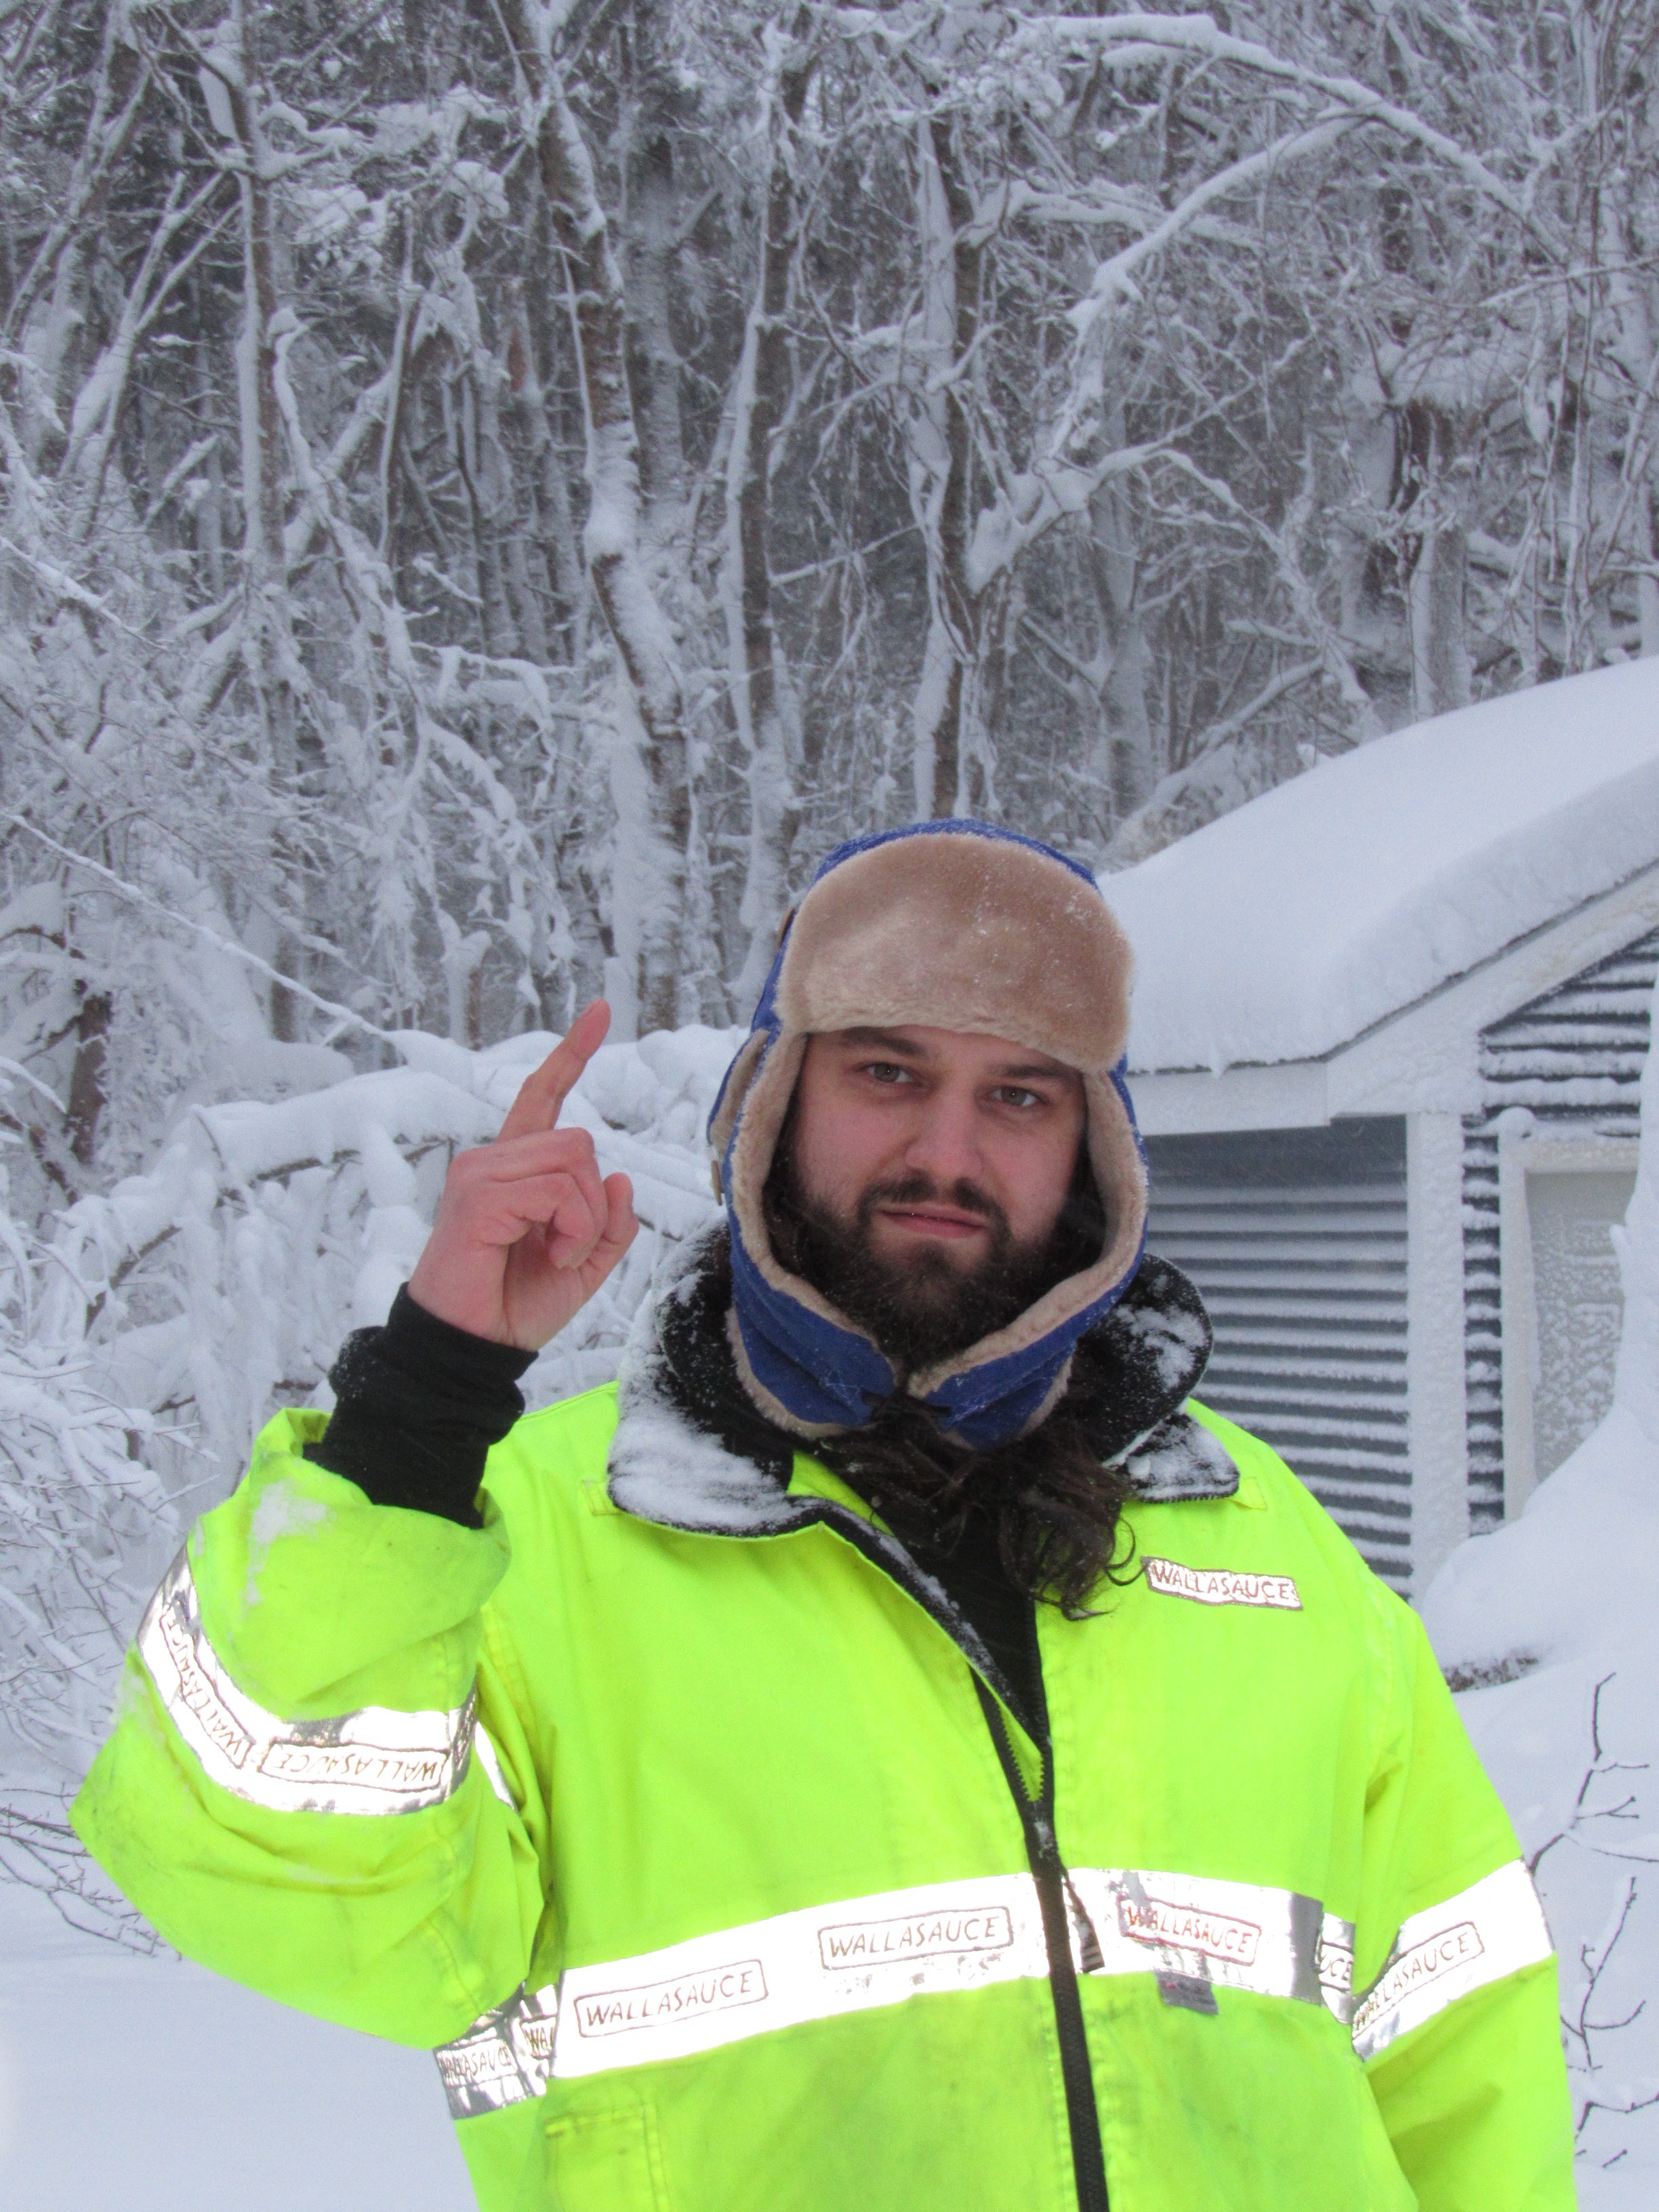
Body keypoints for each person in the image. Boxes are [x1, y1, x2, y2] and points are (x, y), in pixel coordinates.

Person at [75, 823, 1573, 2211]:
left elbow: (1464, 2051)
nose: (948, 1154)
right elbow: (292, 1896)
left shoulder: (1267, 1546)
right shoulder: (532, 1539)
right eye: (888, 1073)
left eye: (1021, 1095)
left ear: (1094, 1152)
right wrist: (424, 1397)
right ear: (772, 1106)